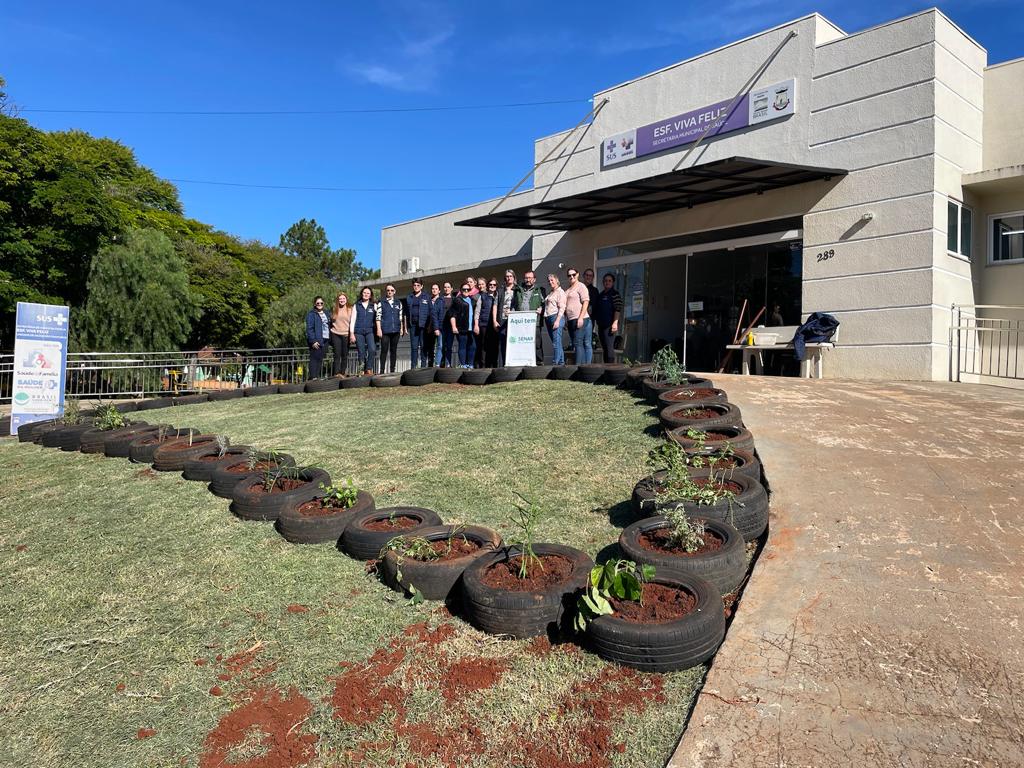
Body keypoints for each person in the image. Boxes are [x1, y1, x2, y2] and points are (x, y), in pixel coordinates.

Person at [491, 269, 523, 367]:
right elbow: (495, 305)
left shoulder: (518, 289)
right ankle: (505, 364)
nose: (509, 278)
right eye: (507, 276)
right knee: (504, 343)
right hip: (502, 320)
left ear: (514, 277)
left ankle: (515, 363)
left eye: (510, 276)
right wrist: (494, 321)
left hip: (515, 321)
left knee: (514, 342)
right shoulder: (500, 290)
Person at [564, 267, 592, 364]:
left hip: (580, 318)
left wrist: (581, 318)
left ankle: (578, 366)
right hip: (570, 320)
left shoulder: (581, 286)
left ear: (578, 274)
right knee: (575, 344)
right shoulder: (567, 290)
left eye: (573, 274)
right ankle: (583, 366)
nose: (571, 277)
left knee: (578, 342)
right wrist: (566, 320)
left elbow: (586, 302)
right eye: (569, 275)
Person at [593, 273, 623, 363]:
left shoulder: (615, 294)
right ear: (603, 282)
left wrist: (615, 323)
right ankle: (606, 367)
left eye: (610, 281)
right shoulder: (601, 295)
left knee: (609, 348)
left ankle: (611, 367)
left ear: (613, 282)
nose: (607, 282)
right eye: (605, 281)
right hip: (601, 326)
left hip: (610, 326)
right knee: (605, 348)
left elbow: (618, 309)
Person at [376, 283, 405, 374]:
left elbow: (400, 317)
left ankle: (392, 371)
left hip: (396, 330)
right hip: (385, 331)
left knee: (393, 351)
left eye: (392, 290)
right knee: (384, 351)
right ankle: (382, 371)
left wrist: (401, 328)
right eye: (388, 290)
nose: (390, 292)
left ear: (394, 292)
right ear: (386, 291)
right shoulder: (381, 302)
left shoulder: (398, 303)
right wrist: (379, 329)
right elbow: (378, 317)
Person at [405, 279, 431, 368]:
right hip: (413, 326)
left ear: (421, 286)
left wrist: (429, 325)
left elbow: (430, 312)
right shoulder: (409, 297)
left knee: (424, 346)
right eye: (414, 285)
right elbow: (406, 313)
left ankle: (423, 367)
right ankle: (413, 367)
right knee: (414, 347)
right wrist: (405, 327)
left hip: (423, 326)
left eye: (418, 285)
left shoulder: (426, 297)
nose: (416, 287)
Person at [352, 287, 378, 375]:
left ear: (370, 295)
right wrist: (351, 333)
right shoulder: (356, 305)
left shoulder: (374, 305)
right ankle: (361, 369)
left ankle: (369, 368)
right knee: (361, 351)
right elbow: (353, 319)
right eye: (364, 292)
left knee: (372, 349)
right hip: (358, 331)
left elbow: (379, 316)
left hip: (370, 331)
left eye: (368, 293)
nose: (366, 294)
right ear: (361, 294)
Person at [450, 282, 475, 367]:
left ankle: (470, 364)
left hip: (471, 328)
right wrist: (454, 326)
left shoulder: (472, 300)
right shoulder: (457, 300)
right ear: (460, 290)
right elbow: (452, 314)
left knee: (472, 346)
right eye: (464, 289)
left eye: (468, 289)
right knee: (462, 346)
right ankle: (463, 364)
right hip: (462, 327)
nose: (466, 291)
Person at [305, 296, 330, 379]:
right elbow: (309, 328)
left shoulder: (326, 313)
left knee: (320, 358)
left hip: (325, 339)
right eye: (318, 303)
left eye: (321, 303)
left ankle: (316, 376)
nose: (319, 304)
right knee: (314, 358)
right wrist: (313, 341)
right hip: (316, 339)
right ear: (315, 304)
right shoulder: (311, 314)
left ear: (323, 303)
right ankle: (313, 377)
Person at [543, 274, 567, 365]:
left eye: (552, 280)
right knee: (556, 342)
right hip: (548, 318)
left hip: (556, 317)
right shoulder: (551, 293)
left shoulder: (560, 292)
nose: (550, 282)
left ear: (557, 280)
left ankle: (555, 363)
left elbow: (562, 307)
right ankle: (561, 363)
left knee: (556, 343)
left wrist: (557, 320)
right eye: (549, 281)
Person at [329, 292, 353, 376]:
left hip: (346, 334)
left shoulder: (350, 309)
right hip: (335, 333)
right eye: (340, 299)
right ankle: (336, 373)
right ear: (338, 300)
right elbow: (330, 321)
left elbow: (353, 322)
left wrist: (352, 334)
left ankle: (342, 373)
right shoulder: (334, 309)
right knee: (337, 354)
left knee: (344, 355)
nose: (342, 300)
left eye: (343, 298)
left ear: (346, 299)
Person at [475, 277, 494, 368]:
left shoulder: (496, 295)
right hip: (483, 324)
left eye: (482, 284)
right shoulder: (481, 296)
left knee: (492, 345)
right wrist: (476, 324)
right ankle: (483, 365)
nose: (481, 286)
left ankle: (491, 365)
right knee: (483, 345)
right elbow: (477, 311)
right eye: (479, 284)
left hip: (493, 324)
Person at [424, 282, 443, 367]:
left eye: (436, 289)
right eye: (433, 289)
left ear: (439, 291)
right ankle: (430, 365)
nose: (434, 290)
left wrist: (437, 327)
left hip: (439, 327)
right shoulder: (428, 301)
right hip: (430, 327)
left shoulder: (441, 301)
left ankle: (438, 364)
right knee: (430, 347)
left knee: (440, 345)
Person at [438, 282, 456, 367]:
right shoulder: (440, 299)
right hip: (442, 326)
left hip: (451, 326)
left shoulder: (454, 300)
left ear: (451, 288)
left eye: (448, 287)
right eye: (445, 287)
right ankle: (439, 364)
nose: (446, 289)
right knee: (440, 346)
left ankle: (448, 364)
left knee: (449, 346)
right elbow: (435, 313)